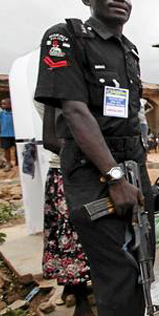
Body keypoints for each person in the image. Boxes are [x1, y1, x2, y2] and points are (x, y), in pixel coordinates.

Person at [33, 0, 155, 314]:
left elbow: (129, 118)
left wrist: (135, 174)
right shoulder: (65, 37)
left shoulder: (129, 51)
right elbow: (74, 111)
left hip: (134, 168)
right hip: (95, 173)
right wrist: (114, 177)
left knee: (142, 265)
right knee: (117, 275)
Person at [41, 105, 93, 316]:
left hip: (86, 168)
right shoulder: (55, 86)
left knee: (86, 237)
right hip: (68, 173)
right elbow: (51, 140)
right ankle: (81, 302)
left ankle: (73, 288)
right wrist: (92, 155)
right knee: (71, 241)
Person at [0, 98, 16, 171]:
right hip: (4, 135)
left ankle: (17, 162)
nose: (2, 105)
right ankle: (8, 163)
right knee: (6, 150)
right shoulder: (1, 113)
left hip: (15, 135)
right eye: (1, 104)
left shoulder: (15, 113)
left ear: (10, 104)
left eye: (4, 104)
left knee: (16, 149)